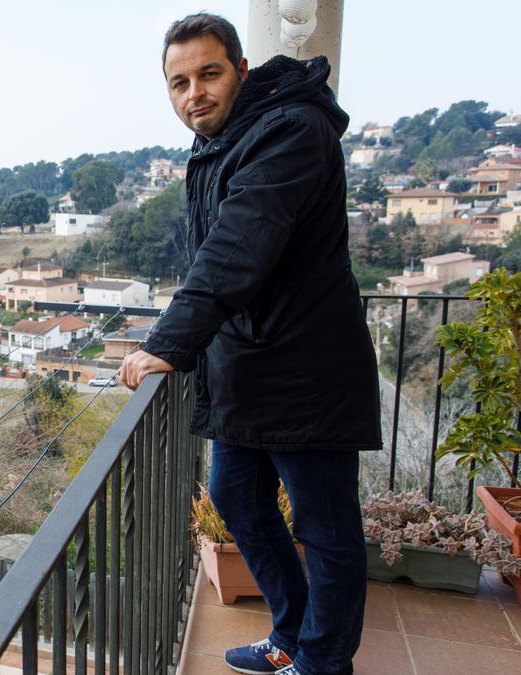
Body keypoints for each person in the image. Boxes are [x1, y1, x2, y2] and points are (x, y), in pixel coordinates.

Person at [116, 13, 381, 675]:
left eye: (208, 73)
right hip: (245, 367)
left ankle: (323, 662)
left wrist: (168, 344)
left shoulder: (291, 130)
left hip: (306, 370)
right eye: (178, 82)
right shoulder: (228, 137)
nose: (193, 93)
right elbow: (220, 255)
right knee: (237, 498)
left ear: (240, 68)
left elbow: (237, 246)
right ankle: (290, 630)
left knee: (325, 530)